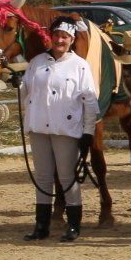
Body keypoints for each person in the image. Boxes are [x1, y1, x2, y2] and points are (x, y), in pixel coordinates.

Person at [20, 17, 100, 242]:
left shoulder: (80, 65)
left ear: (72, 39)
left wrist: (88, 131)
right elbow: (25, 92)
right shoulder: (36, 62)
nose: (59, 40)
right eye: (56, 36)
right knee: (43, 177)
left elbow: (89, 101)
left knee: (67, 177)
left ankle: (74, 225)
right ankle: (41, 226)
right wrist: (18, 84)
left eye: (64, 37)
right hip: (39, 127)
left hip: (66, 128)